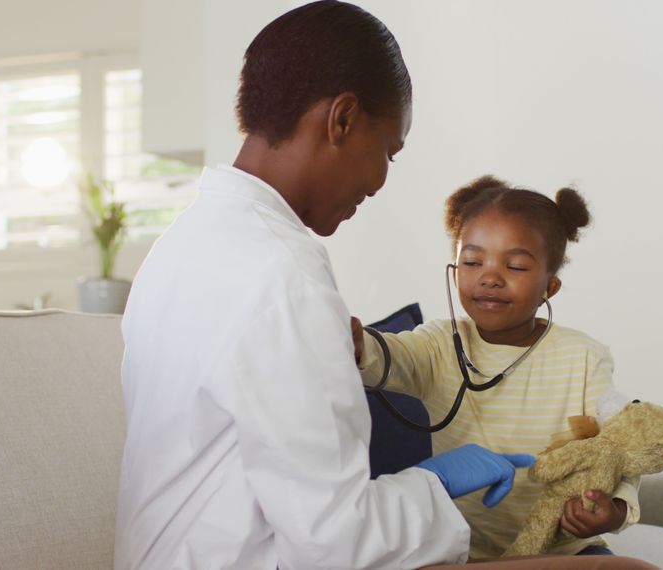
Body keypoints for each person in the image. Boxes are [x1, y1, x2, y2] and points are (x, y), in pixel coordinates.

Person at [115, 3, 538, 569]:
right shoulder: (282, 271)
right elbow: (337, 544)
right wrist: (436, 486)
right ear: (341, 119)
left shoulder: (179, 248)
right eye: (388, 151)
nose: (380, 181)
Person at [353, 175, 641, 559]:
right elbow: (385, 356)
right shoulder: (439, 345)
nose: (490, 277)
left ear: (549, 288)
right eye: (472, 261)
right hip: (457, 552)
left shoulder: (584, 358)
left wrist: (614, 510)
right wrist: (353, 343)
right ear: (455, 269)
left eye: (517, 267)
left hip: (561, 553)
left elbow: (621, 446)